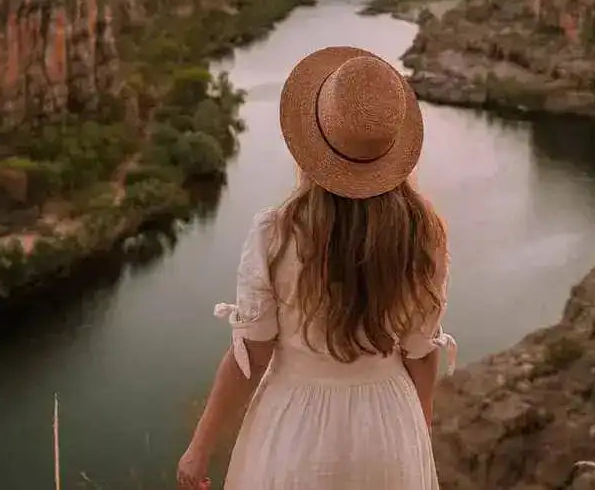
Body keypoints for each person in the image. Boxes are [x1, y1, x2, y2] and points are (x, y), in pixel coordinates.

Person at [177, 45, 455, 489]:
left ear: (312, 144)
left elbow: (251, 355)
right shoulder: (424, 235)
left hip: (296, 430)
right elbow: (421, 352)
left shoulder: (277, 233)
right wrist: (415, 436)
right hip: (391, 428)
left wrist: (199, 449)